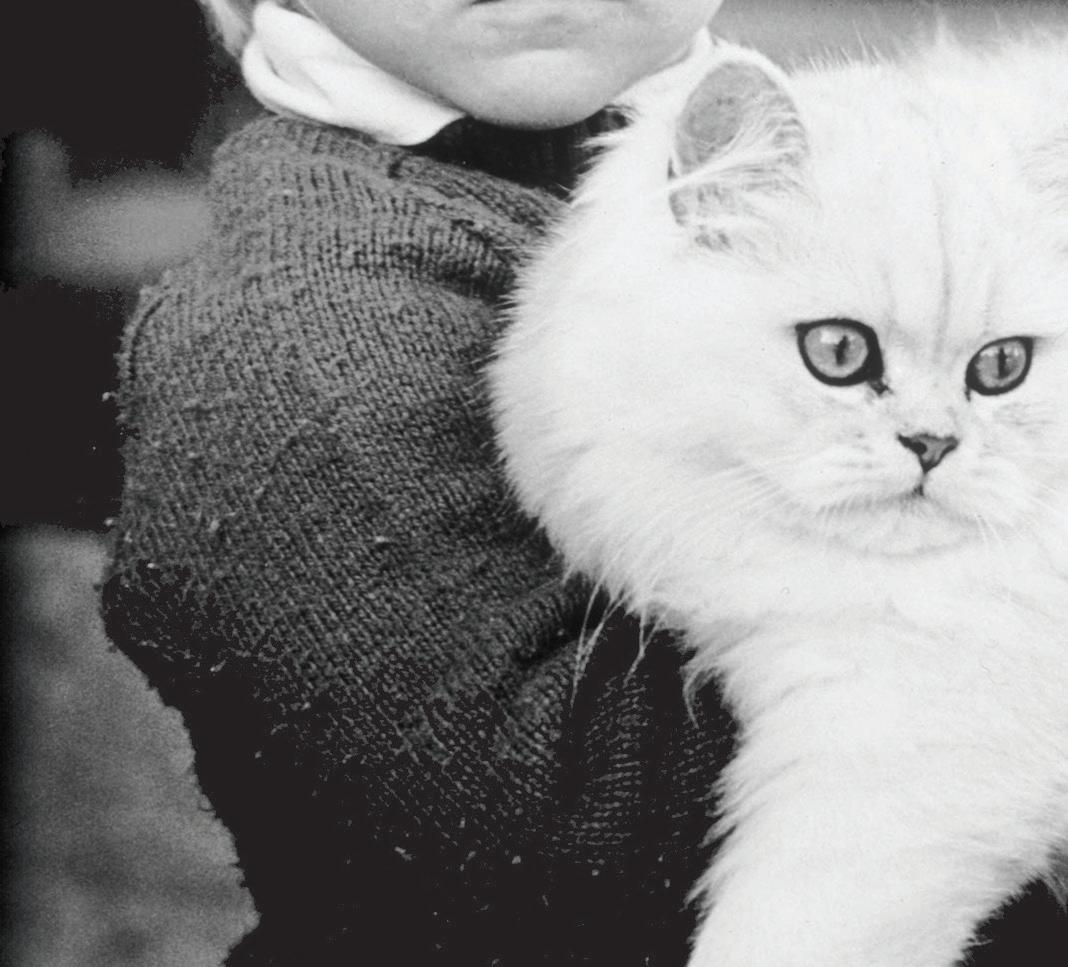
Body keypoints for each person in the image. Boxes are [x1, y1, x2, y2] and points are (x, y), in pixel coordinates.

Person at [101, 1, 1065, 963]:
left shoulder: (889, 146)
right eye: (842, 352)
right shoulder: (284, 350)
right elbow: (551, 859)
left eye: (998, 368)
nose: (933, 435)